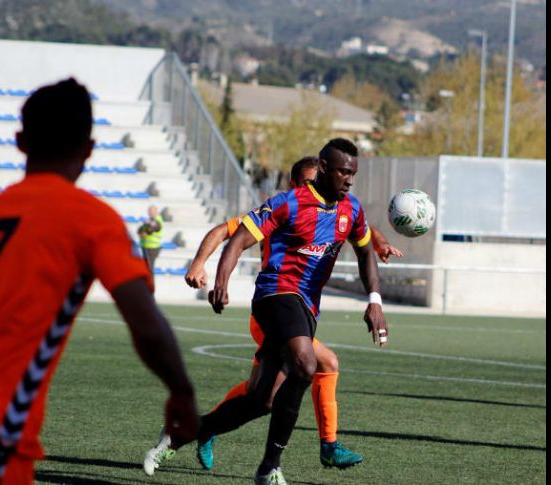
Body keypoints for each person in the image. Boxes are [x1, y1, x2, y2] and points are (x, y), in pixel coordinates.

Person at [0, 78, 200, 485]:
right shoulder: (91, 220)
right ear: (89, 149)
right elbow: (146, 323)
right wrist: (181, 391)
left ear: (20, 142)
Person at [145, 138, 389, 485]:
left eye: (353, 174)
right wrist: (221, 281)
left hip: (306, 308)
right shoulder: (289, 203)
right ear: (323, 168)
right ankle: (270, 467)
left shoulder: (351, 209)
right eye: (342, 172)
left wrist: (375, 300)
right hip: (275, 294)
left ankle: (182, 432)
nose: (349, 180)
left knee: (262, 400)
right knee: (307, 364)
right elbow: (238, 238)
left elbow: (364, 251)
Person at [138, 205, 164, 273]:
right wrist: (141, 232)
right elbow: (140, 230)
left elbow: (154, 227)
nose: (151, 213)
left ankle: (150, 280)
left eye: (152, 211)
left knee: (149, 268)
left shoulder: (157, 220)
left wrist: (145, 232)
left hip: (153, 247)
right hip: (146, 246)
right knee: (146, 267)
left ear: (156, 212)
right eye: (149, 211)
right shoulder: (149, 220)